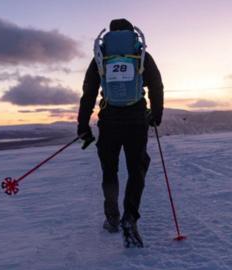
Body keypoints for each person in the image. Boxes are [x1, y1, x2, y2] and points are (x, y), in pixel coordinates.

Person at [77, 18, 164, 247]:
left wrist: (83, 126)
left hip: (109, 122)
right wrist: (156, 114)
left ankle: (112, 218)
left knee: (109, 170)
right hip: (136, 120)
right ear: (131, 33)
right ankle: (130, 218)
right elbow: (156, 84)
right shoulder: (140, 54)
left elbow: (88, 94)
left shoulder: (100, 57)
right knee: (137, 169)